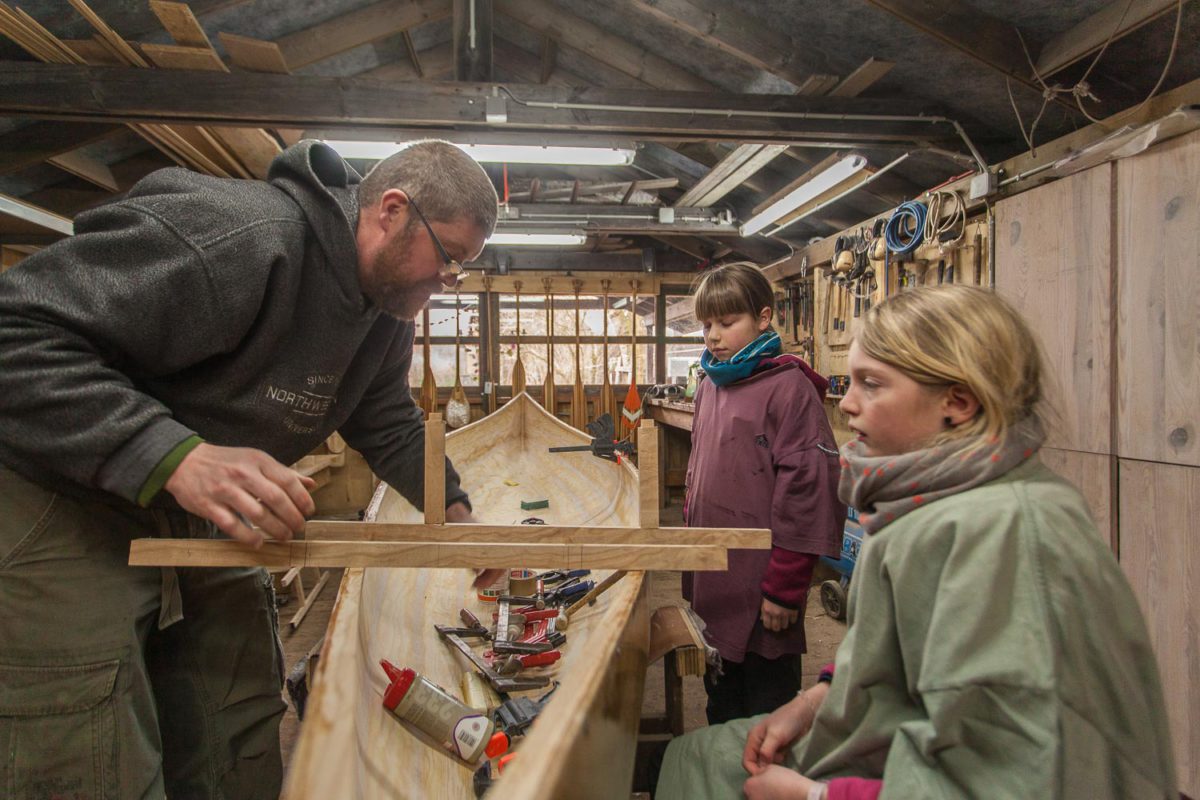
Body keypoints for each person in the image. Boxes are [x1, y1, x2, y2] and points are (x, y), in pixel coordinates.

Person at [0, 139, 500, 799]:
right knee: (90, 741)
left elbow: (385, 420)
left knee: (233, 714)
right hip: (66, 495)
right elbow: (17, 333)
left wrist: (458, 514)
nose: (448, 282)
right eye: (450, 258)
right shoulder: (238, 238)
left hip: (202, 509)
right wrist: (175, 455)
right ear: (391, 210)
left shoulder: (383, 314)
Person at [658, 285, 1178, 800]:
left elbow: (1013, 781)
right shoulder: (934, 501)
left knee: (699, 772)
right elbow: (900, 648)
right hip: (909, 737)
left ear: (957, 401)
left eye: (872, 385)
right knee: (692, 758)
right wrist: (818, 698)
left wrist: (815, 798)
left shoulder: (998, 534)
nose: (850, 406)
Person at [684, 262, 846, 724]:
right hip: (716, 580)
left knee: (766, 711)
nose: (713, 336)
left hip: (763, 587)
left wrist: (785, 590)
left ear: (763, 317)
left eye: (727, 322)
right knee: (721, 699)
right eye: (707, 325)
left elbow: (809, 493)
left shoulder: (789, 388)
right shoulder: (711, 385)